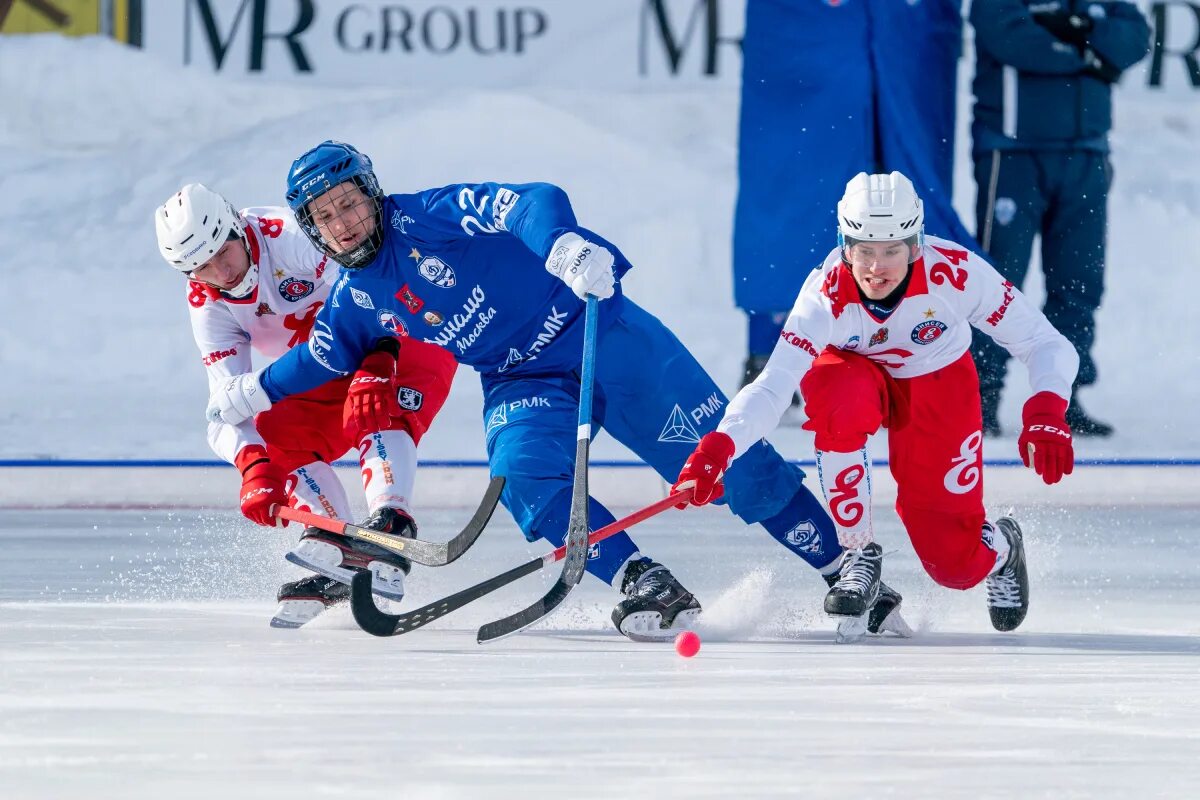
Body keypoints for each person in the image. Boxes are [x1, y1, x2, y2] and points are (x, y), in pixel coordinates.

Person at [205, 140, 911, 642]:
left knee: (731, 467)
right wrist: (249, 394)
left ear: (371, 192)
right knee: (525, 481)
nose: (344, 222)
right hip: (523, 378)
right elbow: (317, 363)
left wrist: (562, 245)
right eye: (325, 216)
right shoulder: (355, 297)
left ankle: (846, 570)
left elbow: (531, 202)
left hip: (600, 331)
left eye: (350, 203)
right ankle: (643, 580)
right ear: (313, 230)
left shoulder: (428, 215)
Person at [675, 172, 1080, 632]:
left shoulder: (956, 273)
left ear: (917, 245)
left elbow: (1045, 343)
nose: (877, 267)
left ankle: (1002, 547)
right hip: (854, 374)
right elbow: (773, 387)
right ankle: (857, 552)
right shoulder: (823, 296)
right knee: (834, 390)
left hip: (937, 379)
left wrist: (1046, 407)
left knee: (956, 566)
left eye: (893, 250)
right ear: (844, 246)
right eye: (864, 250)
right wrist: (719, 447)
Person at [155, 183, 455, 628]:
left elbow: (376, 288)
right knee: (270, 435)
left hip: (405, 333)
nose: (221, 273)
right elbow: (224, 406)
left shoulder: (289, 235)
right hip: (324, 367)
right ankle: (339, 548)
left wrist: (380, 357)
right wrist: (252, 463)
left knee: (370, 405)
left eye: (223, 253)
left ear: (238, 227)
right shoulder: (207, 301)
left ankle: (393, 522)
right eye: (201, 268)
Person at [734, 0, 974, 394]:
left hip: (902, 35)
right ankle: (772, 343)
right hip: (807, 40)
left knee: (904, 196)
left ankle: (918, 343)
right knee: (793, 192)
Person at [970, 0, 1151, 437]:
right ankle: (981, 393)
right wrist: (1091, 50)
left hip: (1086, 151)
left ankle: (1062, 395)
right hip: (1013, 151)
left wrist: (1077, 28)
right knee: (998, 280)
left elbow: (1136, 38)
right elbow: (1012, 41)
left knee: (1079, 278)